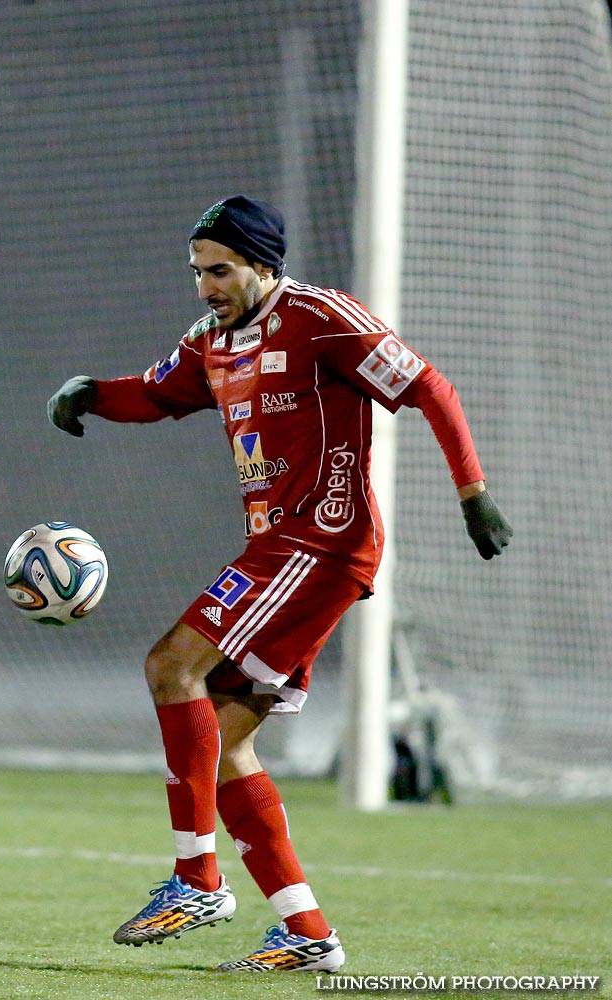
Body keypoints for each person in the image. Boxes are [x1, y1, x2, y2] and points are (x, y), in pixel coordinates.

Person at [47, 196, 513, 973]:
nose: (204, 287)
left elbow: (429, 386)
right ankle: (306, 934)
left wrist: (471, 493)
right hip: (279, 545)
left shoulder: (321, 317)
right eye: (197, 272)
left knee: (170, 667)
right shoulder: (212, 340)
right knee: (222, 745)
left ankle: (195, 879)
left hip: (322, 537)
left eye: (220, 270)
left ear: (263, 264)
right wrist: (92, 393)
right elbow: (156, 395)